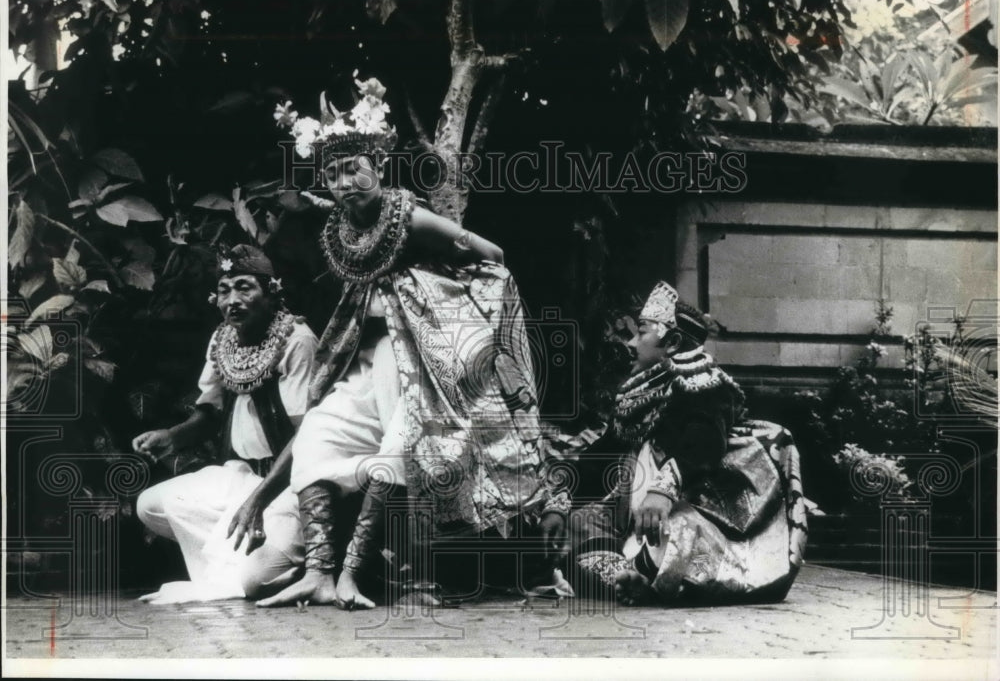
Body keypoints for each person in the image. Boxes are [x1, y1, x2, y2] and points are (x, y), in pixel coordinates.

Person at [254, 77, 568, 609]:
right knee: (315, 438)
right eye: (332, 173)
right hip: (370, 358)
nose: (345, 181)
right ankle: (319, 573)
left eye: (354, 168)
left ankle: (353, 573)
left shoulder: (409, 214)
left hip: (423, 360)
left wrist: (439, 304)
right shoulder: (340, 231)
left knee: (399, 449)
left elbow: (494, 256)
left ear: (378, 167)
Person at [568, 281, 807, 605]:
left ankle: (644, 577)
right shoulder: (637, 395)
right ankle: (628, 577)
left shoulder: (705, 386)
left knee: (678, 530)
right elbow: (604, 455)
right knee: (576, 528)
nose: (631, 343)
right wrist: (559, 499)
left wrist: (662, 490)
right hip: (633, 517)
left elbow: (705, 439)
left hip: (694, 511)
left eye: (641, 332)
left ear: (673, 342)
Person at [133, 245, 319, 603]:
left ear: (271, 293)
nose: (232, 299)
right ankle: (243, 555)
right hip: (242, 477)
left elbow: (307, 436)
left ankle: (301, 557)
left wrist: (257, 501)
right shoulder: (223, 339)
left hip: (289, 486)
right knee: (150, 505)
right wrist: (170, 437)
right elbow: (210, 414)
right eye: (224, 289)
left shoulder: (296, 340)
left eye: (245, 287)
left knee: (247, 584)